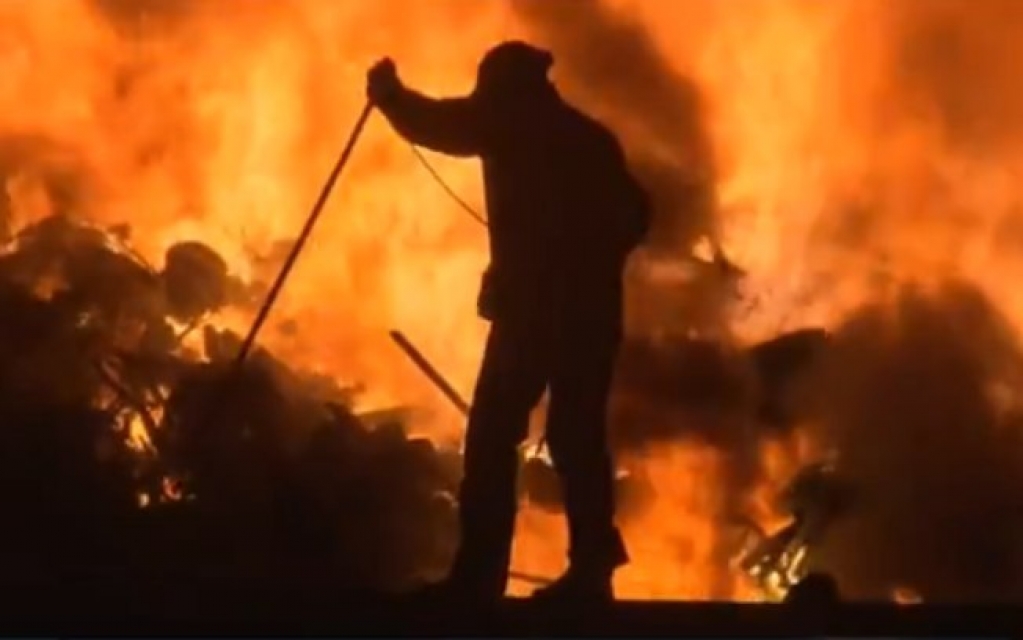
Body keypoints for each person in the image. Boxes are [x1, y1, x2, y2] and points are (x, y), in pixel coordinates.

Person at [366, 41, 651, 603]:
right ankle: (591, 573)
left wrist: (392, 98)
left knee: (494, 437)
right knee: (578, 439)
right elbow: (637, 216)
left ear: (508, 91)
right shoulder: (588, 138)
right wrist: (590, 262)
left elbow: (444, 123)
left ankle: (479, 578)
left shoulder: (513, 126)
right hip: (590, 317)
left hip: (534, 318)